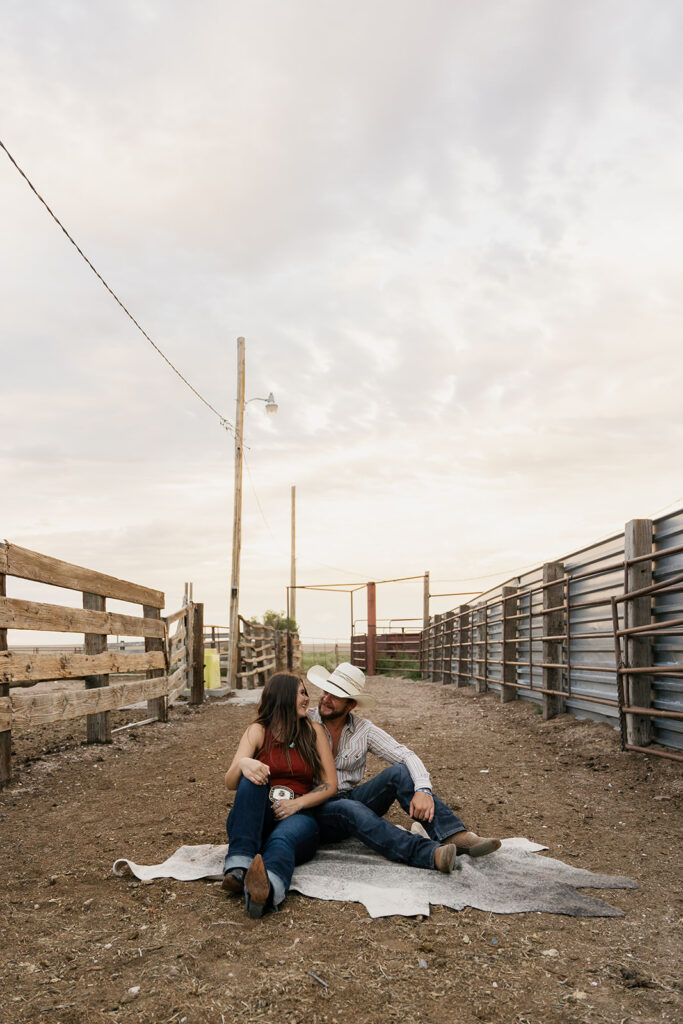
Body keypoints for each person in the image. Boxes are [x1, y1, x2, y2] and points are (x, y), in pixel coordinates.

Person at [306, 662, 501, 872]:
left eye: (335, 696)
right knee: (349, 808)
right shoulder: (305, 720)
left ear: (351, 705)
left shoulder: (363, 730)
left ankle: (454, 835)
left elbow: (405, 754)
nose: (326, 699)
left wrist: (423, 790)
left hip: (350, 797)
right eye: (326, 691)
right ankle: (428, 853)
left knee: (399, 772)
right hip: (315, 806)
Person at [223, 672, 337, 918]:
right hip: (255, 821)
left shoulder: (313, 731)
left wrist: (298, 804)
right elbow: (230, 782)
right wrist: (244, 763)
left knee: (282, 840)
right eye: (301, 693)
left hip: (298, 818)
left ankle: (267, 889)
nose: (307, 699)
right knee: (252, 778)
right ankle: (238, 867)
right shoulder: (258, 731)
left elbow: (330, 784)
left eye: (306, 693)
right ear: (283, 696)